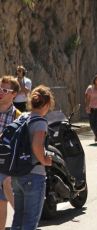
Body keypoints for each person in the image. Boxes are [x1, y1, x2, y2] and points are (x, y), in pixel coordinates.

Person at [11, 85, 54, 230]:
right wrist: (45, 160)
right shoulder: (40, 122)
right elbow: (37, 146)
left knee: (18, 219)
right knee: (30, 221)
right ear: (47, 104)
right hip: (34, 174)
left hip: (17, 175)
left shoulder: (22, 117)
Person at [0, 76, 20, 230]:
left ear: (14, 94)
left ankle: (26, 221)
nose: (1, 92)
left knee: (4, 196)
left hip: (7, 165)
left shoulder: (18, 117)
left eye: (5, 90)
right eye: (0, 89)